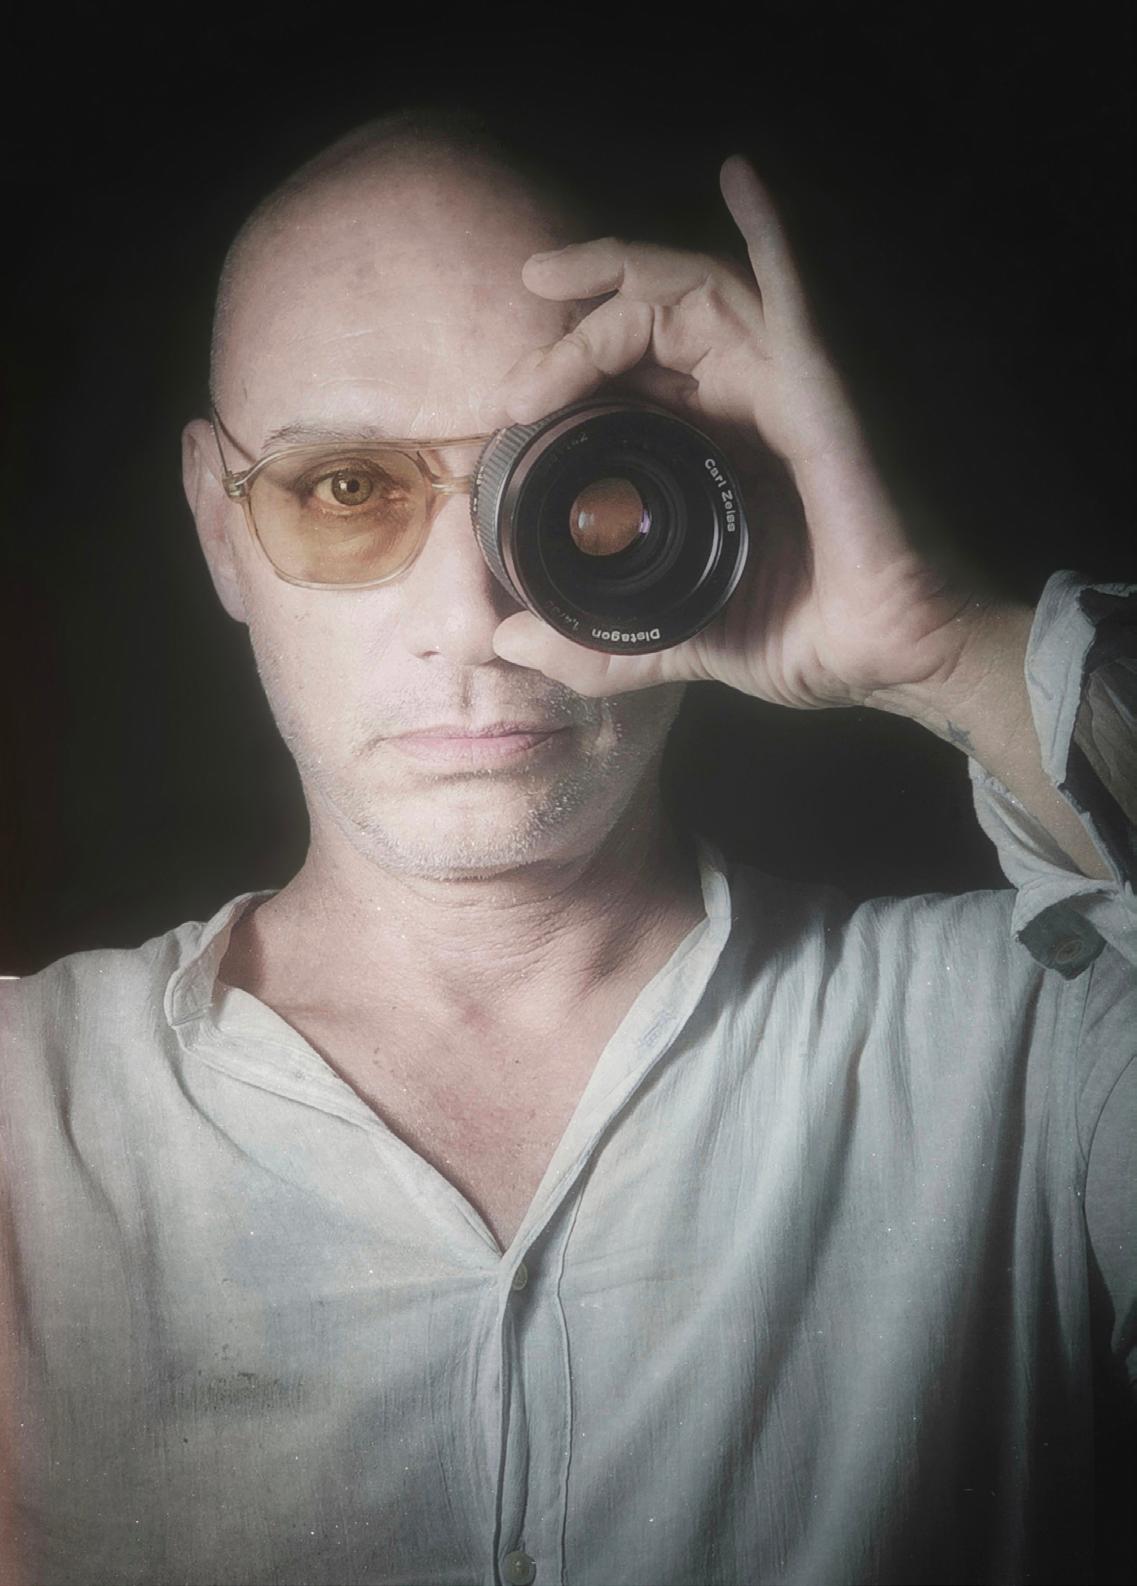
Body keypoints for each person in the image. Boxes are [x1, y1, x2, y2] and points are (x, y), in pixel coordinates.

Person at [1, 107, 1133, 1586]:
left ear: (707, 478)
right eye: (346, 487)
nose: (471, 614)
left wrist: (946, 645)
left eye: (574, 487)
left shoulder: (1026, 1052)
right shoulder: (26, 1120)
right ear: (221, 529)